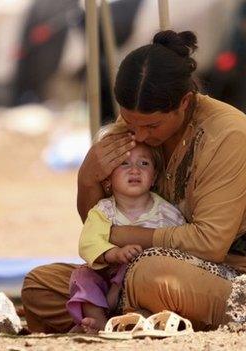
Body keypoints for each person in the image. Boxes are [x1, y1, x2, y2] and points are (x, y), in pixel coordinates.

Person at [22, 30, 246, 333]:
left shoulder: (228, 134)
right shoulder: (134, 126)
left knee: (149, 276)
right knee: (39, 285)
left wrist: (123, 236)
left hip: (239, 276)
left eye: (151, 125)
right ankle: (131, 317)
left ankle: (123, 317)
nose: (139, 135)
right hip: (133, 271)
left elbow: (209, 244)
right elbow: (100, 223)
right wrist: (88, 178)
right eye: (130, 122)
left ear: (184, 103)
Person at [66, 123, 185, 333]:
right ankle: (98, 321)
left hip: (142, 286)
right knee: (82, 276)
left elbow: (179, 248)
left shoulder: (167, 213)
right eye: (124, 163)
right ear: (108, 178)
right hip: (107, 281)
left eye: (144, 163)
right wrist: (114, 253)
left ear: (155, 176)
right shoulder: (103, 211)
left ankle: (136, 320)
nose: (134, 170)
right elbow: (88, 242)